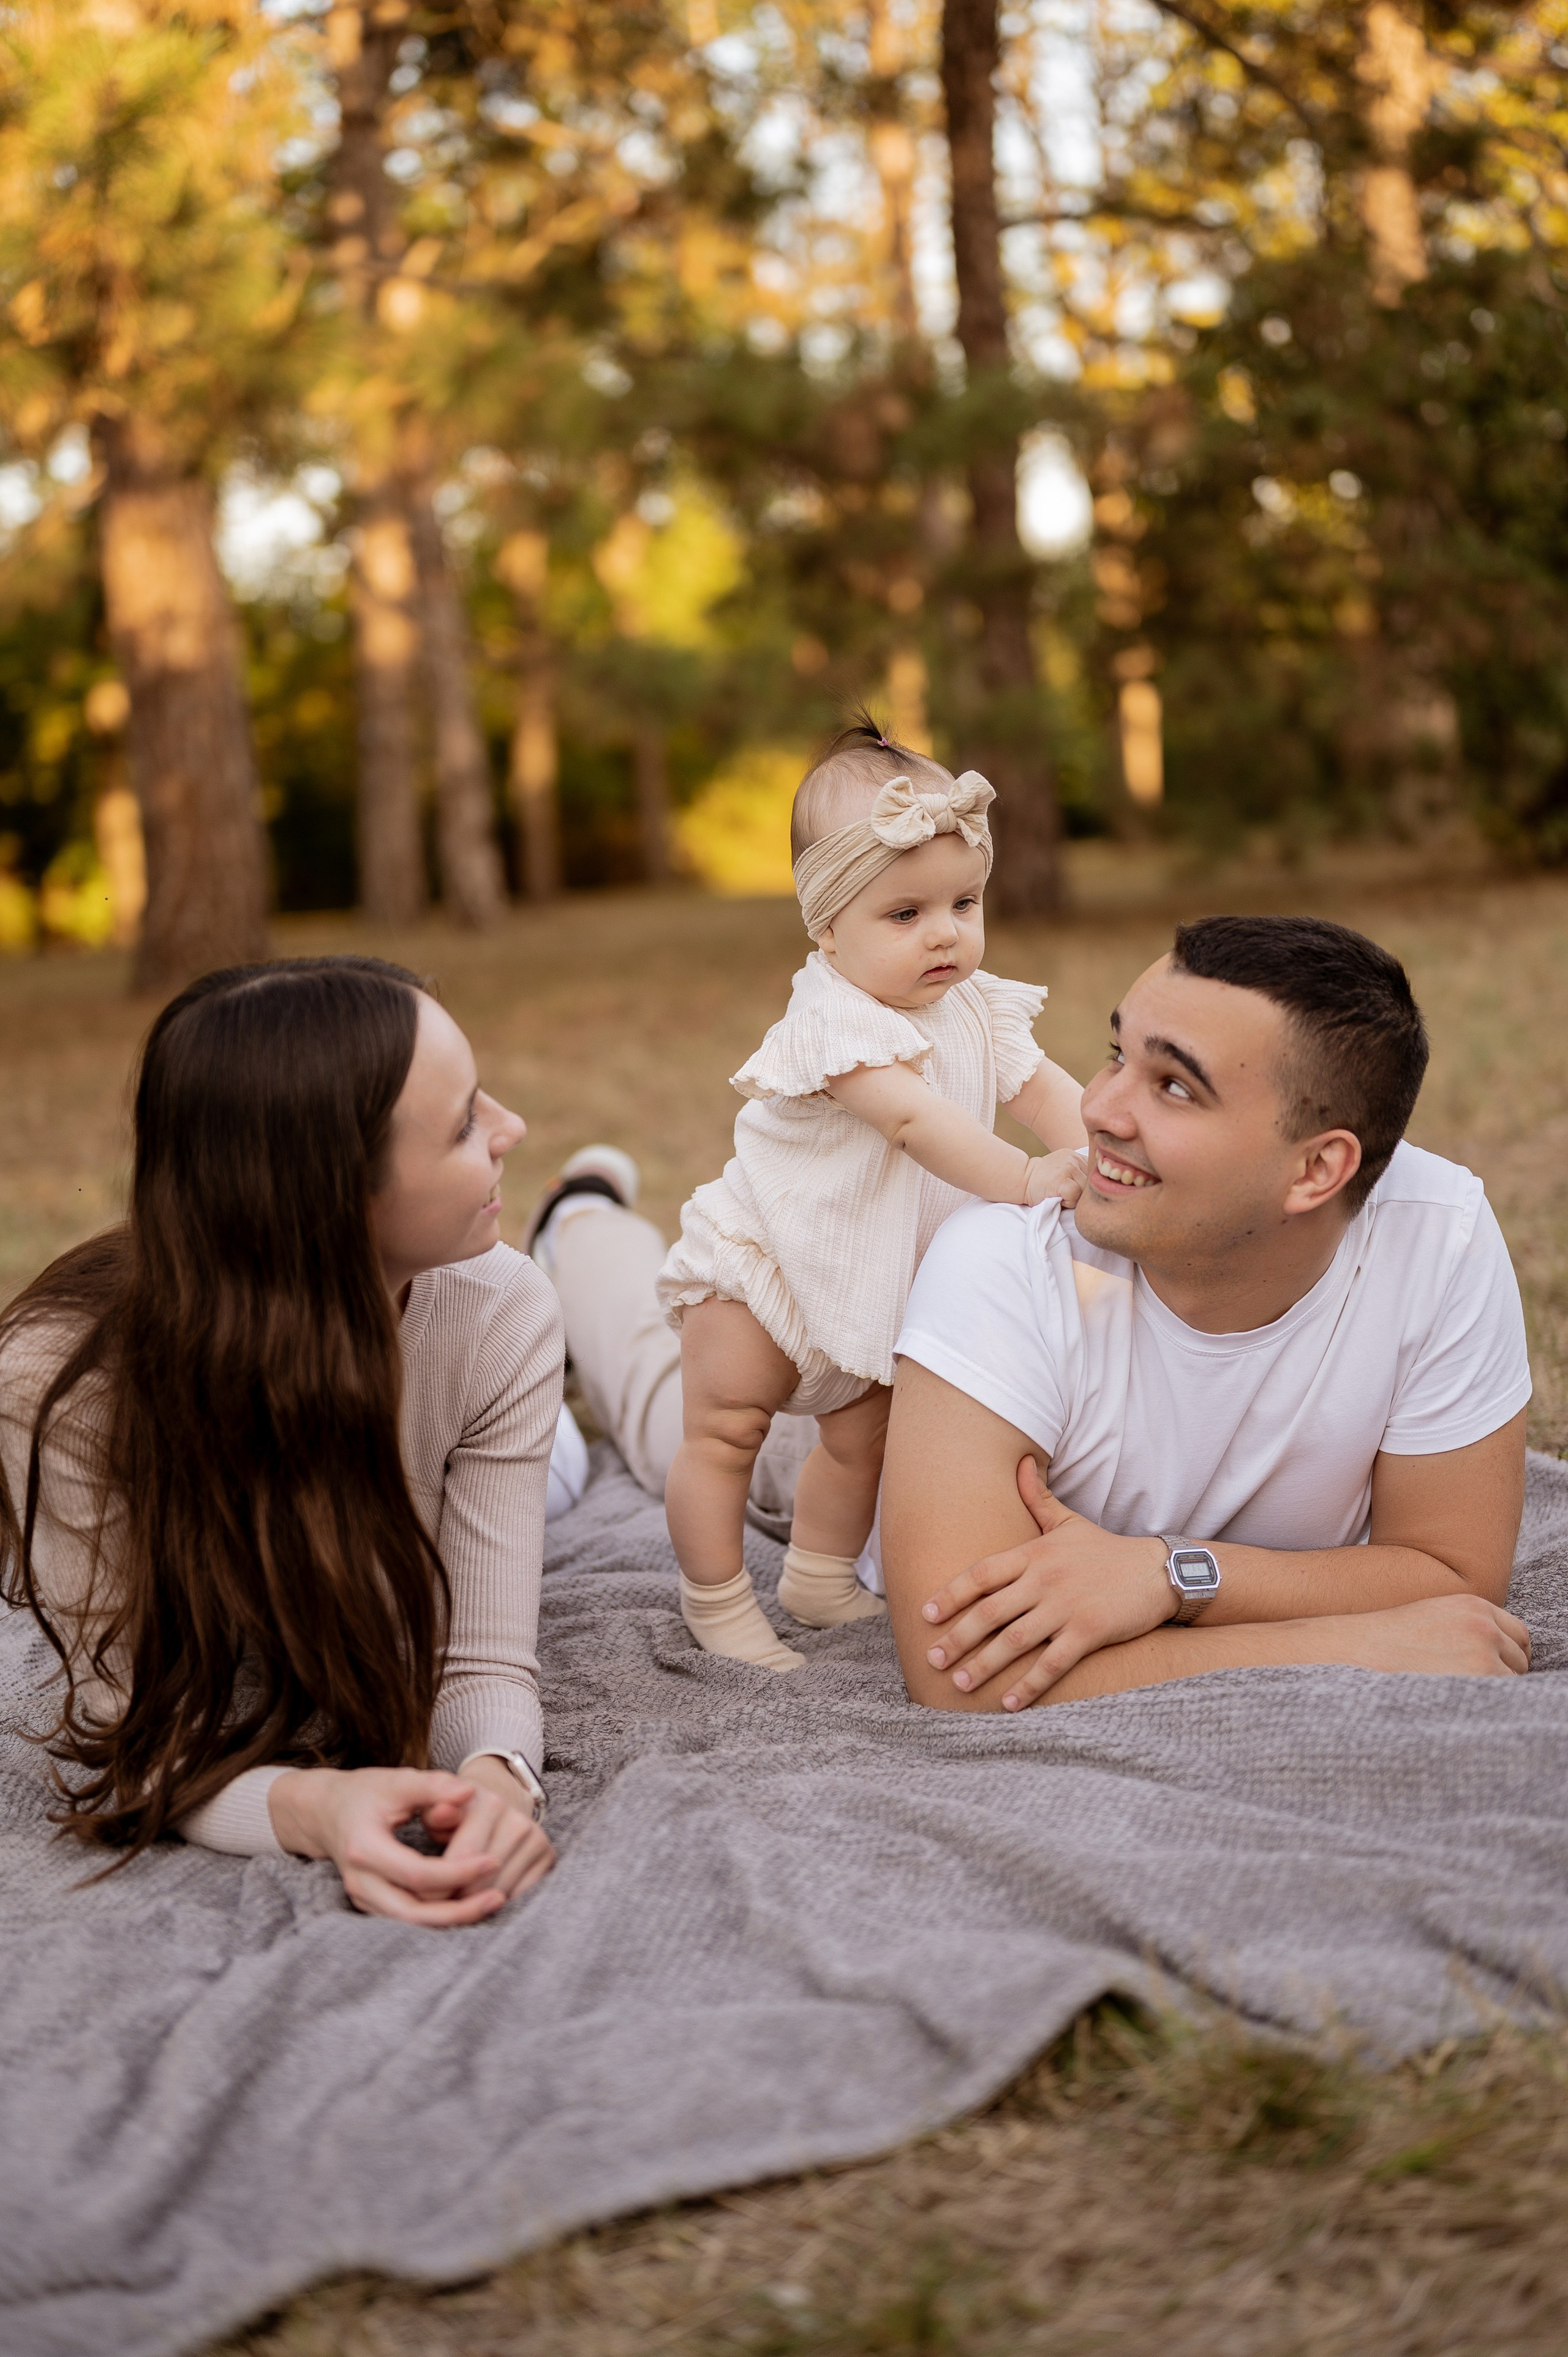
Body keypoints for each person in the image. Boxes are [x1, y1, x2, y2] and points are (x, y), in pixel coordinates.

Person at [1, 957, 562, 1927]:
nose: (512, 1129)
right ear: (337, 1200)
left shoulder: (503, 1313)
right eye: (467, 1122)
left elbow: (479, 1659)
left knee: (593, 1445)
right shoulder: (57, 1395)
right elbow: (131, 1731)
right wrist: (319, 1807)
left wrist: (498, 1788)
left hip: (478, 1459)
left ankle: (587, 1224)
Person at [880, 914, 1534, 1712]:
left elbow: (1453, 1573)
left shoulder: (1439, 1237)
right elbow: (962, 1673)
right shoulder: (1001, 1262)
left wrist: (1169, 1573)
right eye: (1118, 1055)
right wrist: (1352, 1644)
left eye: (1175, 1087)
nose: (1099, 1111)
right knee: (723, 1407)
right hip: (865, 1410)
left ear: (1318, 1169)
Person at [653, 721, 1088, 1672]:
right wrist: (1023, 1180)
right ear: (827, 929)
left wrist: (1104, 1154)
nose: (945, 934)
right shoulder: (832, 1019)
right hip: (762, 1265)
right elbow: (911, 1122)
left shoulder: (974, 1003)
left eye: (964, 903)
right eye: (906, 916)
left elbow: (1048, 1092)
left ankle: (816, 1574)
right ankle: (716, 1599)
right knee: (726, 1437)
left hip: (869, 1277)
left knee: (865, 1447)